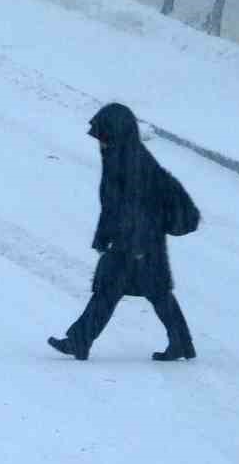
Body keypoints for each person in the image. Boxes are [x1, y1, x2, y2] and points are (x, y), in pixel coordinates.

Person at [49, 102, 197, 362]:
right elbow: (112, 207)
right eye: (100, 137)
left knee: (138, 292)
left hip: (139, 242)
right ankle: (180, 343)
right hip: (132, 241)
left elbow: (138, 208)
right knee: (141, 293)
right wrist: (102, 236)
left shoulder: (132, 163)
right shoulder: (120, 157)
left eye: (105, 136)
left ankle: (79, 341)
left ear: (118, 135)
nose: (101, 142)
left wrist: (137, 246)